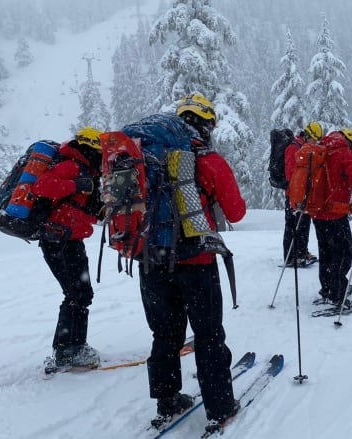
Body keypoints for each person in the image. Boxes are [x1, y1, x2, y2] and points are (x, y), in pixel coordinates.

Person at [140, 93, 247, 436]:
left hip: (150, 258)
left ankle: (167, 400)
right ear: (205, 124)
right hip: (195, 260)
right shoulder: (207, 159)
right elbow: (237, 212)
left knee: (165, 333)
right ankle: (220, 406)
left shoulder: (143, 158)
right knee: (208, 334)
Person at [33, 126, 105, 372]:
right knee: (77, 294)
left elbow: (82, 210)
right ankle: (67, 351)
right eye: (99, 152)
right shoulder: (72, 165)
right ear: (89, 148)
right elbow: (42, 186)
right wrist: (76, 184)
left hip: (68, 239)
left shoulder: (86, 172)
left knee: (79, 294)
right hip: (58, 240)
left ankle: (72, 348)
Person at [311, 128, 352, 305]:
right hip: (335, 213)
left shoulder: (319, 149)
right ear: (349, 141)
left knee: (325, 252)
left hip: (317, 212)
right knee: (342, 252)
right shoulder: (344, 152)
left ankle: (328, 288)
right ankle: (338, 293)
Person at [282, 121, 323, 267]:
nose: (316, 143)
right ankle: (291, 257)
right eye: (314, 139)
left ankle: (301, 252)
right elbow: (291, 174)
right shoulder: (294, 147)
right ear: (308, 135)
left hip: (303, 194)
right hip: (293, 195)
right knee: (293, 225)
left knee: (304, 223)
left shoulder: (303, 147)